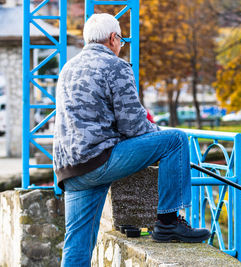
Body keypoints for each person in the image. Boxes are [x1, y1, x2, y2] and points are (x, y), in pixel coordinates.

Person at [53, 13, 210, 266]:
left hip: (70, 169)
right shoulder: (115, 66)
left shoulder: (68, 68)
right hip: (99, 160)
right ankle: (168, 223)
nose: (120, 46)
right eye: (121, 41)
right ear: (114, 38)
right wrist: (157, 131)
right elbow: (134, 125)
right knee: (176, 140)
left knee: (77, 243)